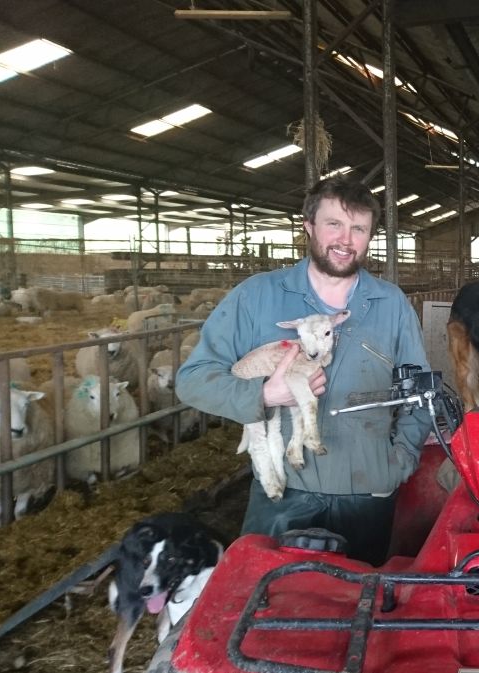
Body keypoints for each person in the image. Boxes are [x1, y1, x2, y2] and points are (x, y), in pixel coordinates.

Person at [177, 174, 433, 565]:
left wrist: (401, 459)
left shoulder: (391, 303)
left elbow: (420, 391)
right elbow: (192, 380)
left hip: (367, 491)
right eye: (334, 224)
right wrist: (261, 395)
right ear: (308, 226)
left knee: (358, 609)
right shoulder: (256, 296)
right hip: (282, 492)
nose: (346, 240)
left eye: (359, 229)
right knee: (268, 605)